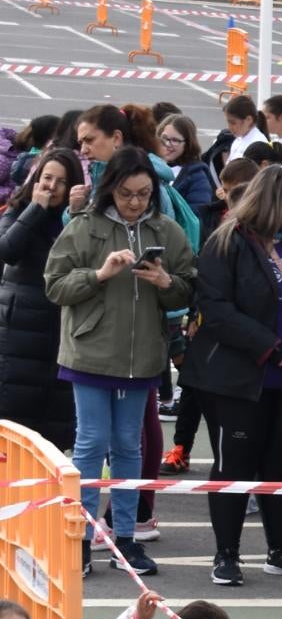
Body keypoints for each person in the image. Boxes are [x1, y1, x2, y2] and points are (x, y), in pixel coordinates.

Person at [43, 147, 194, 575]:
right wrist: (100, 274)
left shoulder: (167, 229)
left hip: (142, 356)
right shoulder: (83, 227)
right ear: (111, 190)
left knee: (130, 446)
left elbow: (188, 285)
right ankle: (81, 538)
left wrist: (166, 282)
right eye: (127, 193)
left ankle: (124, 539)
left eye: (144, 194)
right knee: (90, 444)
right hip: (89, 352)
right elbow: (54, 285)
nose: (135, 202)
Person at [181, 165, 282, 587]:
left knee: (279, 466)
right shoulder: (226, 243)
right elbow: (218, 309)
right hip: (237, 377)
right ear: (275, 202)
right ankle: (226, 553)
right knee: (234, 466)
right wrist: (273, 348)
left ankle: (279, 549)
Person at [0, 147, 83, 451]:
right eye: (47, 177)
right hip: (18, 336)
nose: (52, 186)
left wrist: (74, 214)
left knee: (52, 435)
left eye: (61, 181)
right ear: (35, 179)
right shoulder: (19, 208)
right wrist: (34, 209)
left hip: (61, 334)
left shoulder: (77, 217)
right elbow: (7, 249)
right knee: (12, 431)